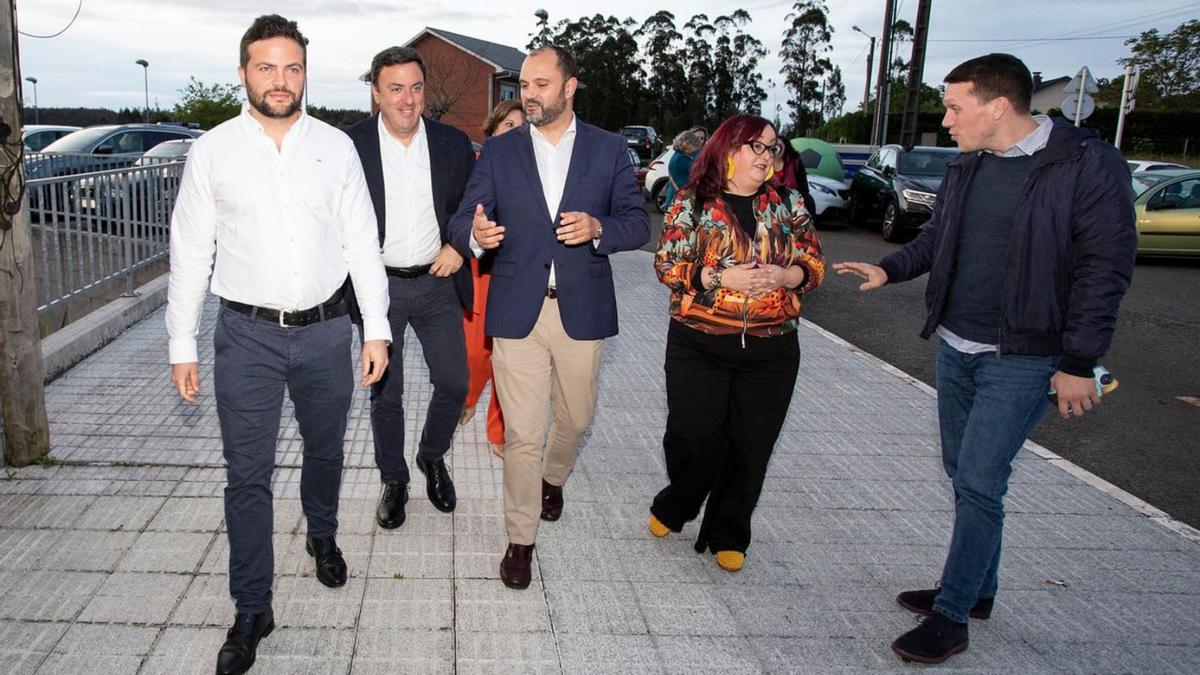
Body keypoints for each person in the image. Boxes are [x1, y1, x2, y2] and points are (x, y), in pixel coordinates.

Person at [833, 53, 1136, 665]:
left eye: (953, 106)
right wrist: (887, 269)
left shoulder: (1085, 165)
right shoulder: (970, 165)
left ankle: (951, 615)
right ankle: (979, 591)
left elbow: (1105, 270)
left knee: (978, 480)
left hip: (1025, 355)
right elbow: (936, 240)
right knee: (965, 476)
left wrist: (1078, 362)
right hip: (957, 345)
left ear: (998, 106)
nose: (945, 121)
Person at [165, 15, 391, 674]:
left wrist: (374, 327)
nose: (281, 80)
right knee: (248, 476)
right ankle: (252, 606)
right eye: (267, 67)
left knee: (324, 450)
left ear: (305, 74)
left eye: (292, 68)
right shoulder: (213, 150)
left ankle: (322, 533)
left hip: (326, 331)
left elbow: (360, 242)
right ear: (243, 73)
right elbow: (190, 249)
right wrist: (181, 341)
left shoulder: (335, 148)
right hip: (247, 336)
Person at [449, 45, 650, 590]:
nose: (529, 94)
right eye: (524, 85)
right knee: (522, 434)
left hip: (581, 310)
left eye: (541, 84)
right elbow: (466, 213)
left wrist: (599, 228)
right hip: (518, 312)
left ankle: (554, 479)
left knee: (577, 418)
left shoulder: (608, 150)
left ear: (569, 87)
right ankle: (520, 540)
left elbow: (638, 224)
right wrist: (476, 234)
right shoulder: (501, 151)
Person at [650, 114, 825, 573]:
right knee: (694, 438)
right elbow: (667, 265)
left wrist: (789, 275)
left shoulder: (789, 204)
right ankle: (679, 500)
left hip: (771, 349)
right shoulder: (691, 202)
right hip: (699, 342)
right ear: (728, 150)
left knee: (751, 446)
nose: (766, 157)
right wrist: (716, 275)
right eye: (757, 147)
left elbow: (814, 263)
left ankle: (730, 530)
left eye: (773, 149)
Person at [344, 47, 476, 526]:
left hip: (437, 282)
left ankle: (432, 455)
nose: (407, 99)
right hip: (378, 291)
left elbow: (473, 206)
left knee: (455, 382)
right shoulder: (350, 145)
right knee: (386, 392)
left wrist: (459, 246)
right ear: (376, 93)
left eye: (416, 87)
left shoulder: (451, 142)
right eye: (395, 88)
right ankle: (393, 479)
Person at [459, 100, 526, 457]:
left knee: (508, 356)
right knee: (474, 351)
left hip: (517, 276)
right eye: (508, 125)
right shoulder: (474, 167)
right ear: (493, 131)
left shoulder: (537, 172)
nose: (516, 131)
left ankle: (499, 431)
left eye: (522, 125)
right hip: (479, 272)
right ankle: (467, 396)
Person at [660, 126, 705, 210]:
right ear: (687, 143)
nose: (695, 149)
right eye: (694, 145)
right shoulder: (681, 159)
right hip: (678, 202)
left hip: (676, 200)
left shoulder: (679, 155)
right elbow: (700, 170)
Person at [773, 139, 816, 218]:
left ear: (785, 146)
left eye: (779, 144)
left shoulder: (796, 163)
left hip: (794, 207)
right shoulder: (765, 163)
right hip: (773, 208)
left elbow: (804, 189)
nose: (777, 146)